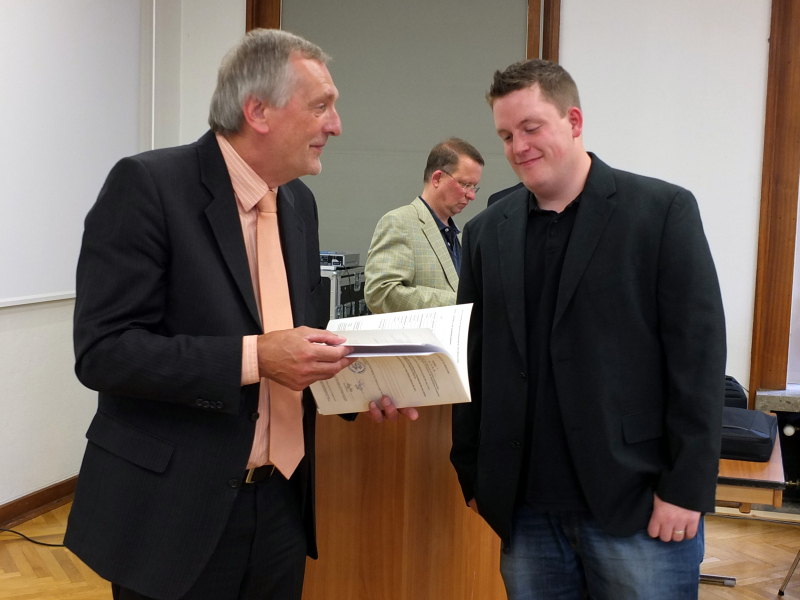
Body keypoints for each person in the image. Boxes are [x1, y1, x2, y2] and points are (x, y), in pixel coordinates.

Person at [66, 29, 415, 600]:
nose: (336, 125)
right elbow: (104, 351)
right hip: (175, 515)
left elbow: (298, 344)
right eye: (321, 106)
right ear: (258, 111)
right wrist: (255, 357)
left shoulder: (298, 202)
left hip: (281, 506)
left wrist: (362, 387)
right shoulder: (149, 186)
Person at [450, 59, 726, 600]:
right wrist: (474, 474)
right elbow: (473, 360)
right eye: (506, 135)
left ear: (573, 121)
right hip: (526, 513)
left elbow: (697, 359)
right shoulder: (485, 233)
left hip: (640, 504)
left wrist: (686, 487)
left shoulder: (661, 212)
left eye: (531, 128)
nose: (517, 146)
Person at [364, 138, 483, 314]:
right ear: (437, 178)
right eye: (465, 185)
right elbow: (380, 293)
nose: (472, 195)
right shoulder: (399, 222)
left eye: (474, 187)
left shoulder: (459, 236)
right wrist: (461, 303)